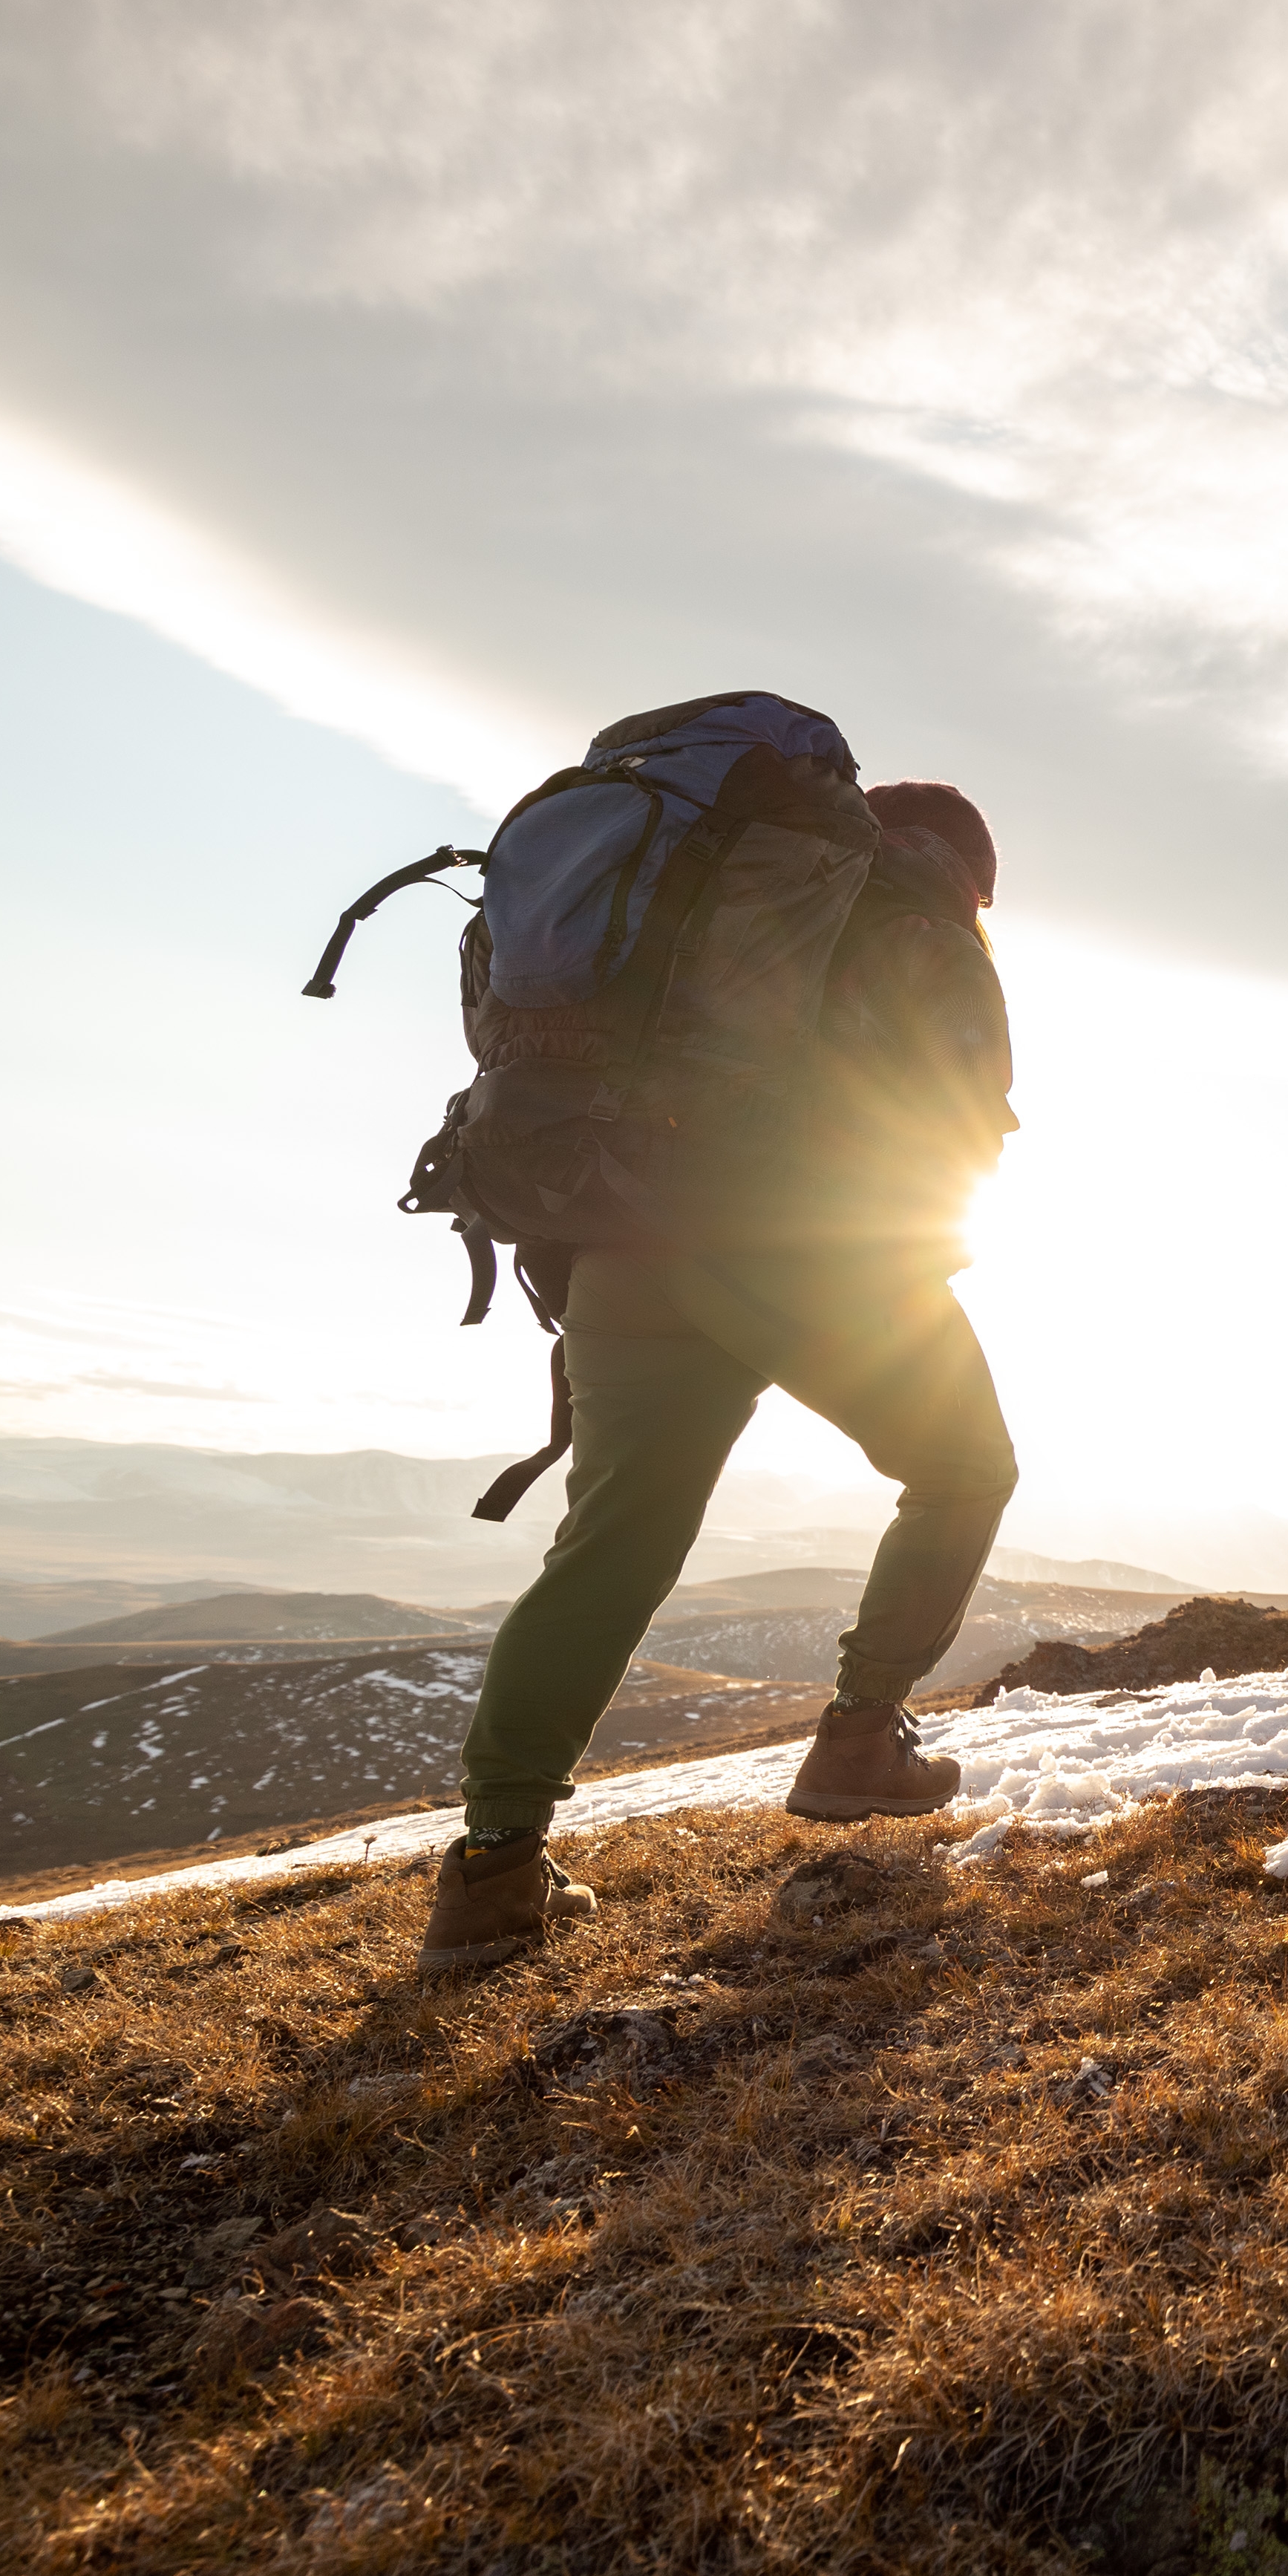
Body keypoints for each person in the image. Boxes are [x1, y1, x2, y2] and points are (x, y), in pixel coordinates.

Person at [419, 772, 1024, 1977]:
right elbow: (962, 1119)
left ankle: (494, 1866)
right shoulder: (917, 915)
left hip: (615, 1247)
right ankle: (859, 1743)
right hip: (803, 1249)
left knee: (612, 1547)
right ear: (970, 874)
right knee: (965, 1467)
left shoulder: (697, 915)